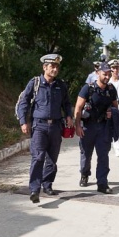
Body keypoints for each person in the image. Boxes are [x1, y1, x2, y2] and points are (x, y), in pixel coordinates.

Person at [17, 54, 73, 203]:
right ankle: (35, 189)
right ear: (44, 67)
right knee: (38, 157)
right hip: (39, 125)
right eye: (52, 66)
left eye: (57, 67)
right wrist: (23, 121)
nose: (55, 69)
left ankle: (47, 184)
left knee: (52, 159)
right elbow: (24, 103)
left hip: (55, 126)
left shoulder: (60, 85)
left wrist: (69, 115)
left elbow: (67, 103)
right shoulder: (35, 83)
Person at [75, 62, 119, 194]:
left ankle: (102, 183)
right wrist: (78, 126)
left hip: (103, 127)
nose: (107, 77)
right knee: (86, 154)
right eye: (105, 74)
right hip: (88, 127)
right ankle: (84, 173)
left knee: (103, 156)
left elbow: (116, 107)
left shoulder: (111, 90)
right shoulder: (88, 88)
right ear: (98, 73)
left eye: (109, 74)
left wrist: (112, 112)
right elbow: (78, 107)